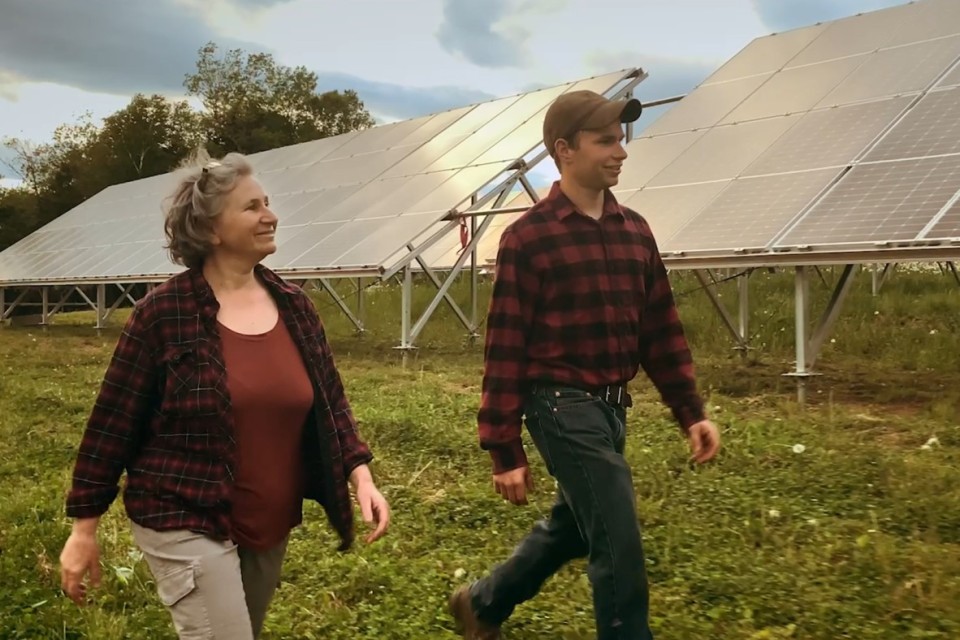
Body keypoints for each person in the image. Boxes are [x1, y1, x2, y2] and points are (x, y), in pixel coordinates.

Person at [58, 152, 390, 640]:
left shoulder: (296, 307)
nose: (270, 216)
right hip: (183, 512)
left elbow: (330, 401)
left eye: (268, 203)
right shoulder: (163, 315)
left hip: (267, 522)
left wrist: (360, 474)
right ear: (211, 230)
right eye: (251, 207)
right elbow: (113, 423)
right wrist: (84, 530)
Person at [448, 90, 721, 640]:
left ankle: (482, 604)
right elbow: (505, 348)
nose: (619, 152)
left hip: (612, 407)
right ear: (564, 150)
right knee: (617, 540)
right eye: (605, 141)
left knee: (577, 525)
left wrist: (690, 412)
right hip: (557, 404)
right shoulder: (528, 239)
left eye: (621, 140)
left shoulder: (635, 231)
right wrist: (504, 447)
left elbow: (660, 332)